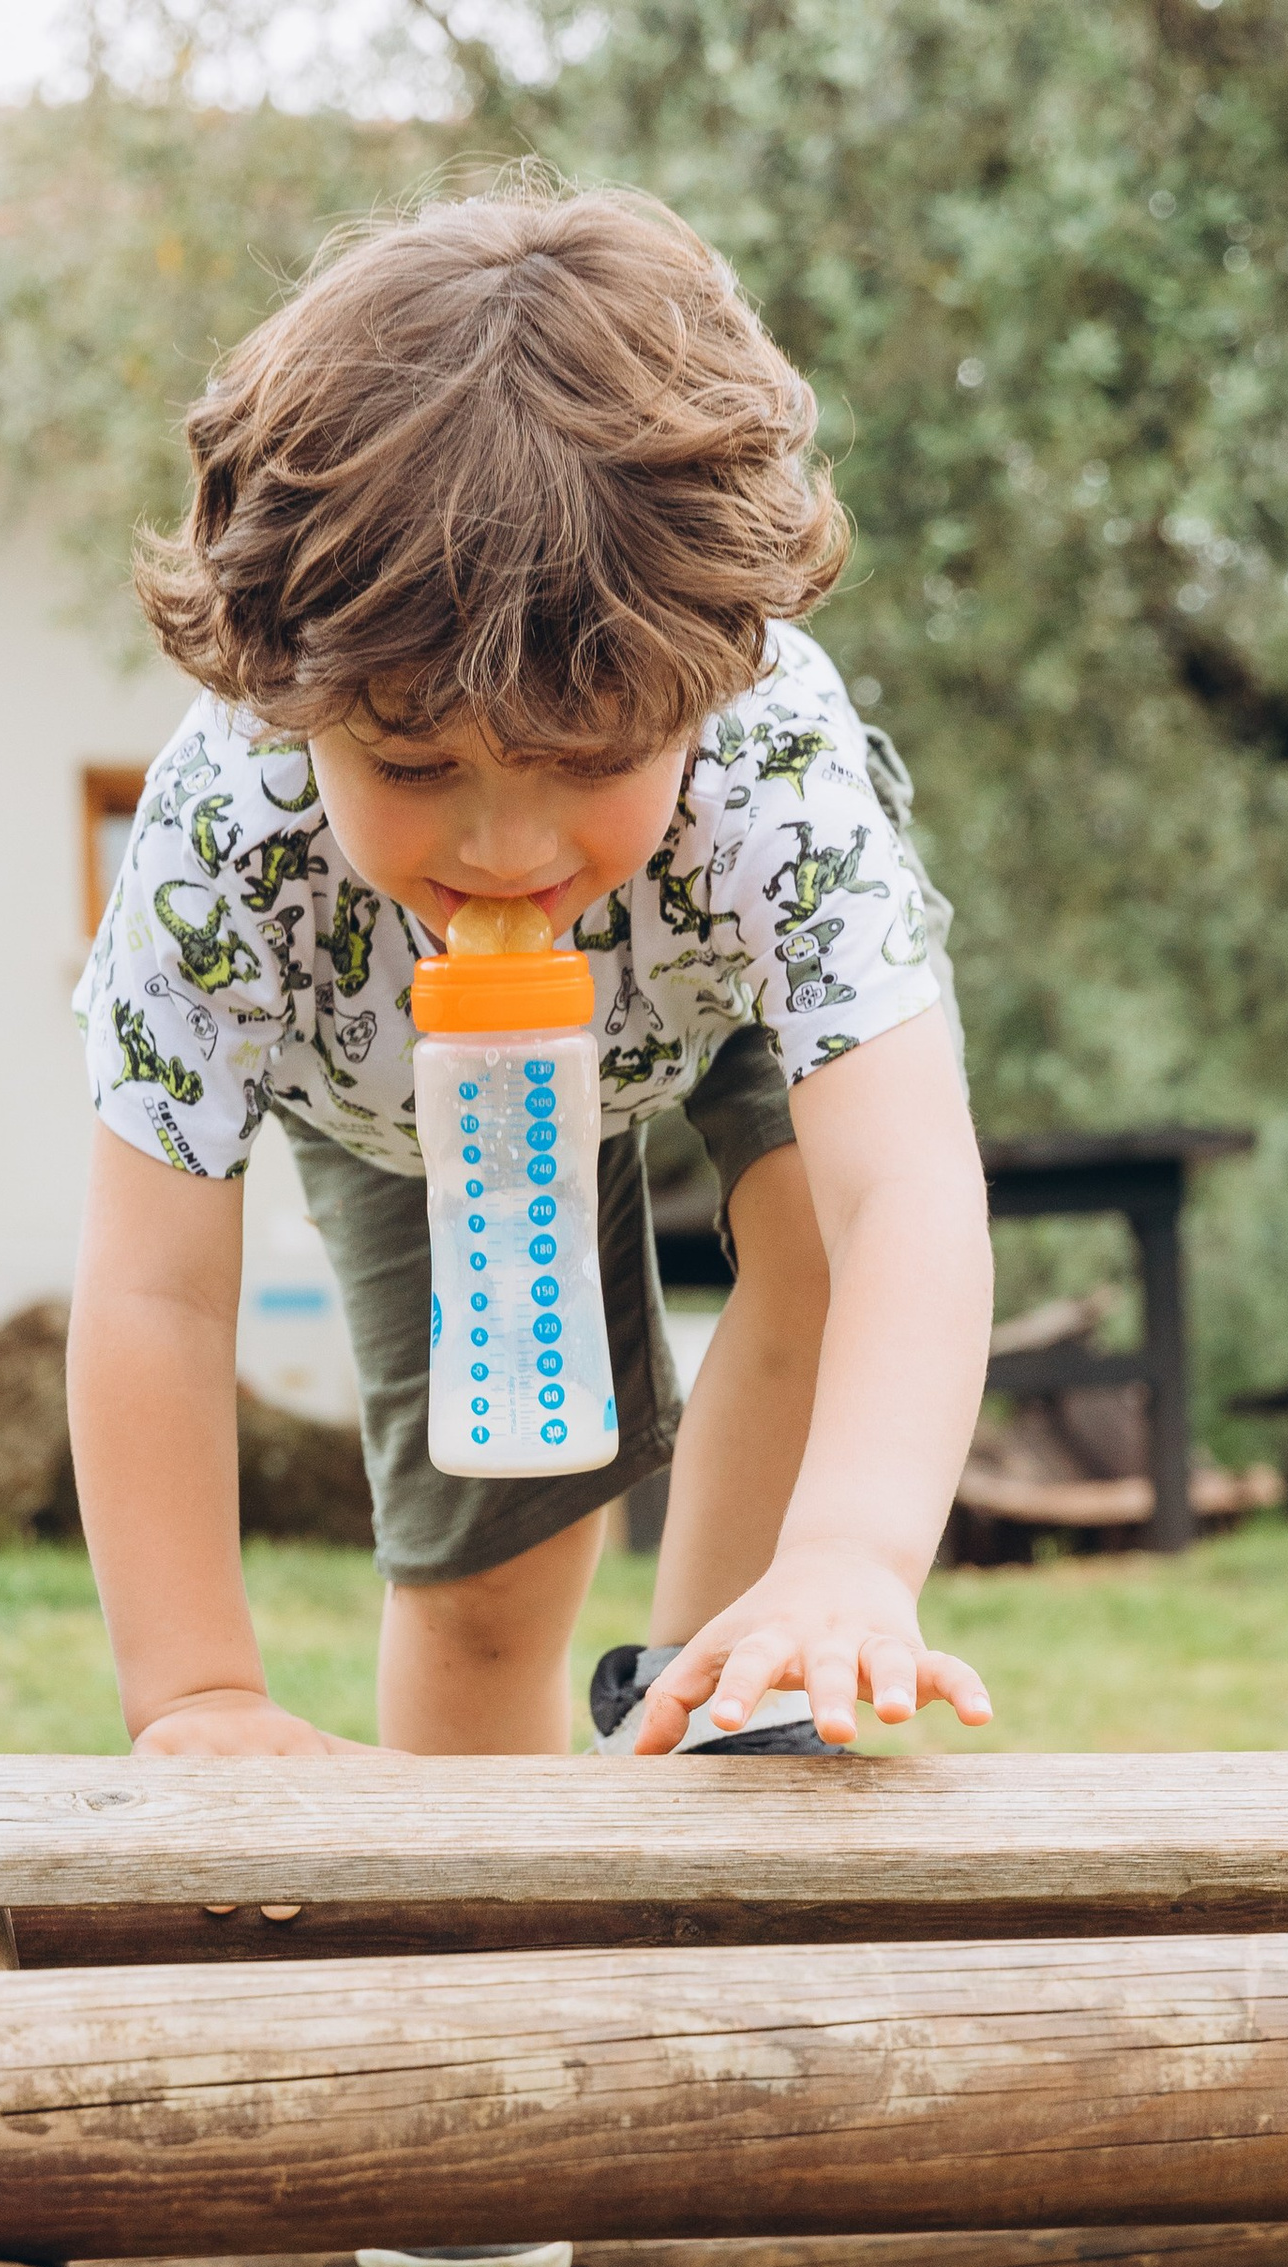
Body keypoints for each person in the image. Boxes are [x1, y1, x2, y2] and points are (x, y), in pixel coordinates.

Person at [68, 177, 996, 1761]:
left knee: (822, 1249)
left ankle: (724, 1692)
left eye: (587, 761)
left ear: (704, 687)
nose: (508, 845)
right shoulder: (229, 835)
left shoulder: (768, 768)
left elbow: (908, 1188)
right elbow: (153, 1289)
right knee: (497, 1562)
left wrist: (851, 1554)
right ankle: (479, 1905)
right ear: (299, 698)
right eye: (416, 769)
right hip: (398, 1084)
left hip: (709, 977)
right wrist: (196, 1691)